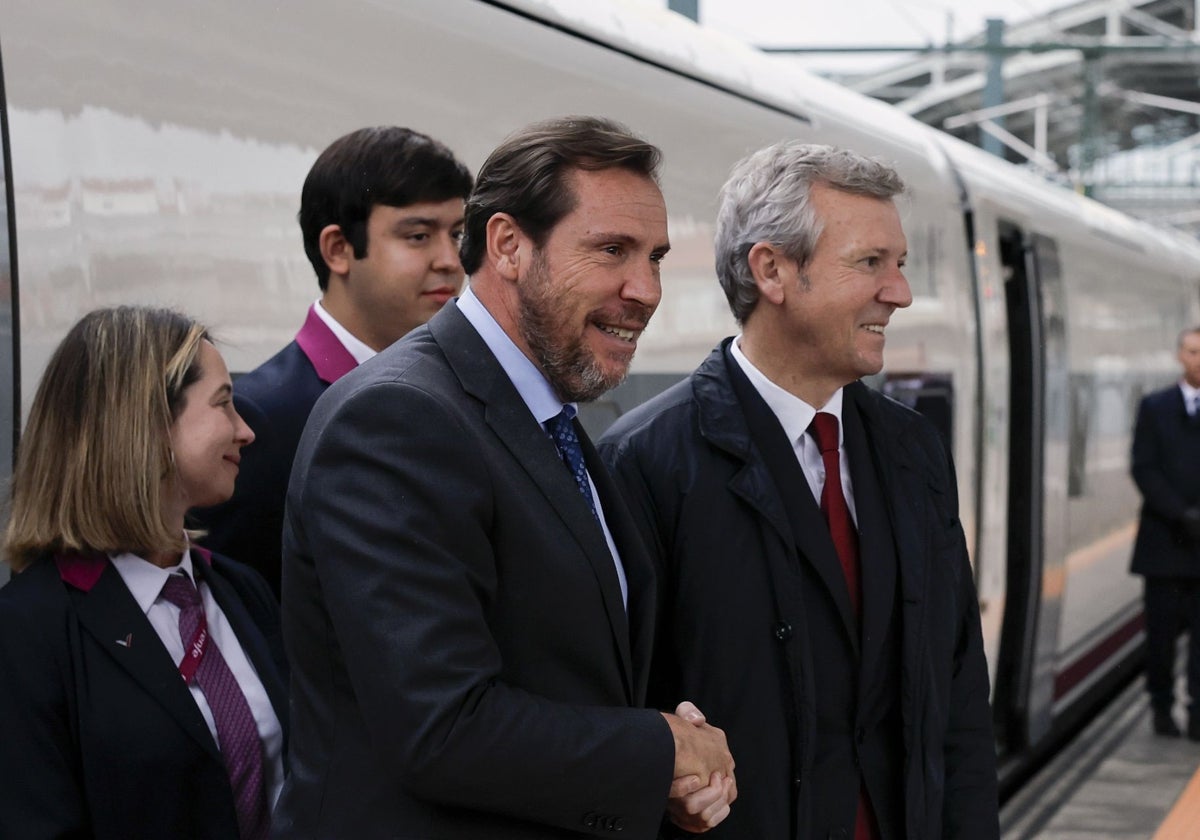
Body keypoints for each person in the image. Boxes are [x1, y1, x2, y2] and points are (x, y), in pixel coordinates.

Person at [274, 116, 735, 839]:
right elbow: (442, 728)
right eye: (612, 250)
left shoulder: (542, 412)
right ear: (509, 246)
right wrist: (659, 749)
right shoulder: (397, 418)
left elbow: (564, 668)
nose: (645, 289)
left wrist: (663, 769)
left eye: (654, 256)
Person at [599, 142, 999, 839]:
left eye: (899, 265)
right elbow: (620, 714)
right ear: (772, 270)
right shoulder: (645, 464)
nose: (899, 292)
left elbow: (959, 698)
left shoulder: (915, 453)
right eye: (870, 263)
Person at [0, 306, 288, 840]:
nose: (245, 431)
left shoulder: (240, 591)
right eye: (224, 403)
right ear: (146, 424)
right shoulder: (28, 632)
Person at [195, 126, 473, 595]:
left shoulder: (469, 393)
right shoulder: (263, 417)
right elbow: (243, 612)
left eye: (458, 234)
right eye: (419, 235)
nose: (450, 259)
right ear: (338, 250)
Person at [1130, 326, 1200, 739]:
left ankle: (1197, 711)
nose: (1198, 360)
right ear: (1179, 355)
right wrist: (1182, 513)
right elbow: (1143, 467)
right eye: (1192, 351)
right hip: (1163, 544)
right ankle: (1160, 705)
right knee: (1160, 637)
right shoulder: (1154, 407)